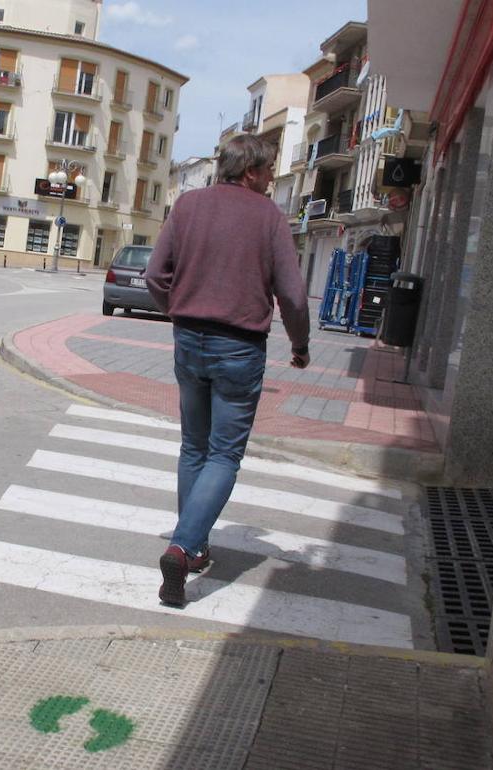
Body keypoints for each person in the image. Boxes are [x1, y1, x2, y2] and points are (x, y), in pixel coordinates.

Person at [145, 134, 311, 608]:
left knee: (193, 446)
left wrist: (178, 309)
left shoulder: (188, 206)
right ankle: (182, 546)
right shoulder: (269, 218)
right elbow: (294, 297)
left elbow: (157, 276)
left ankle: (193, 547)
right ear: (252, 171)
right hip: (239, 347)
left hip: (189, 340)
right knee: (223, 455)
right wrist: (299, 345)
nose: (272, 178)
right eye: (269, 169)